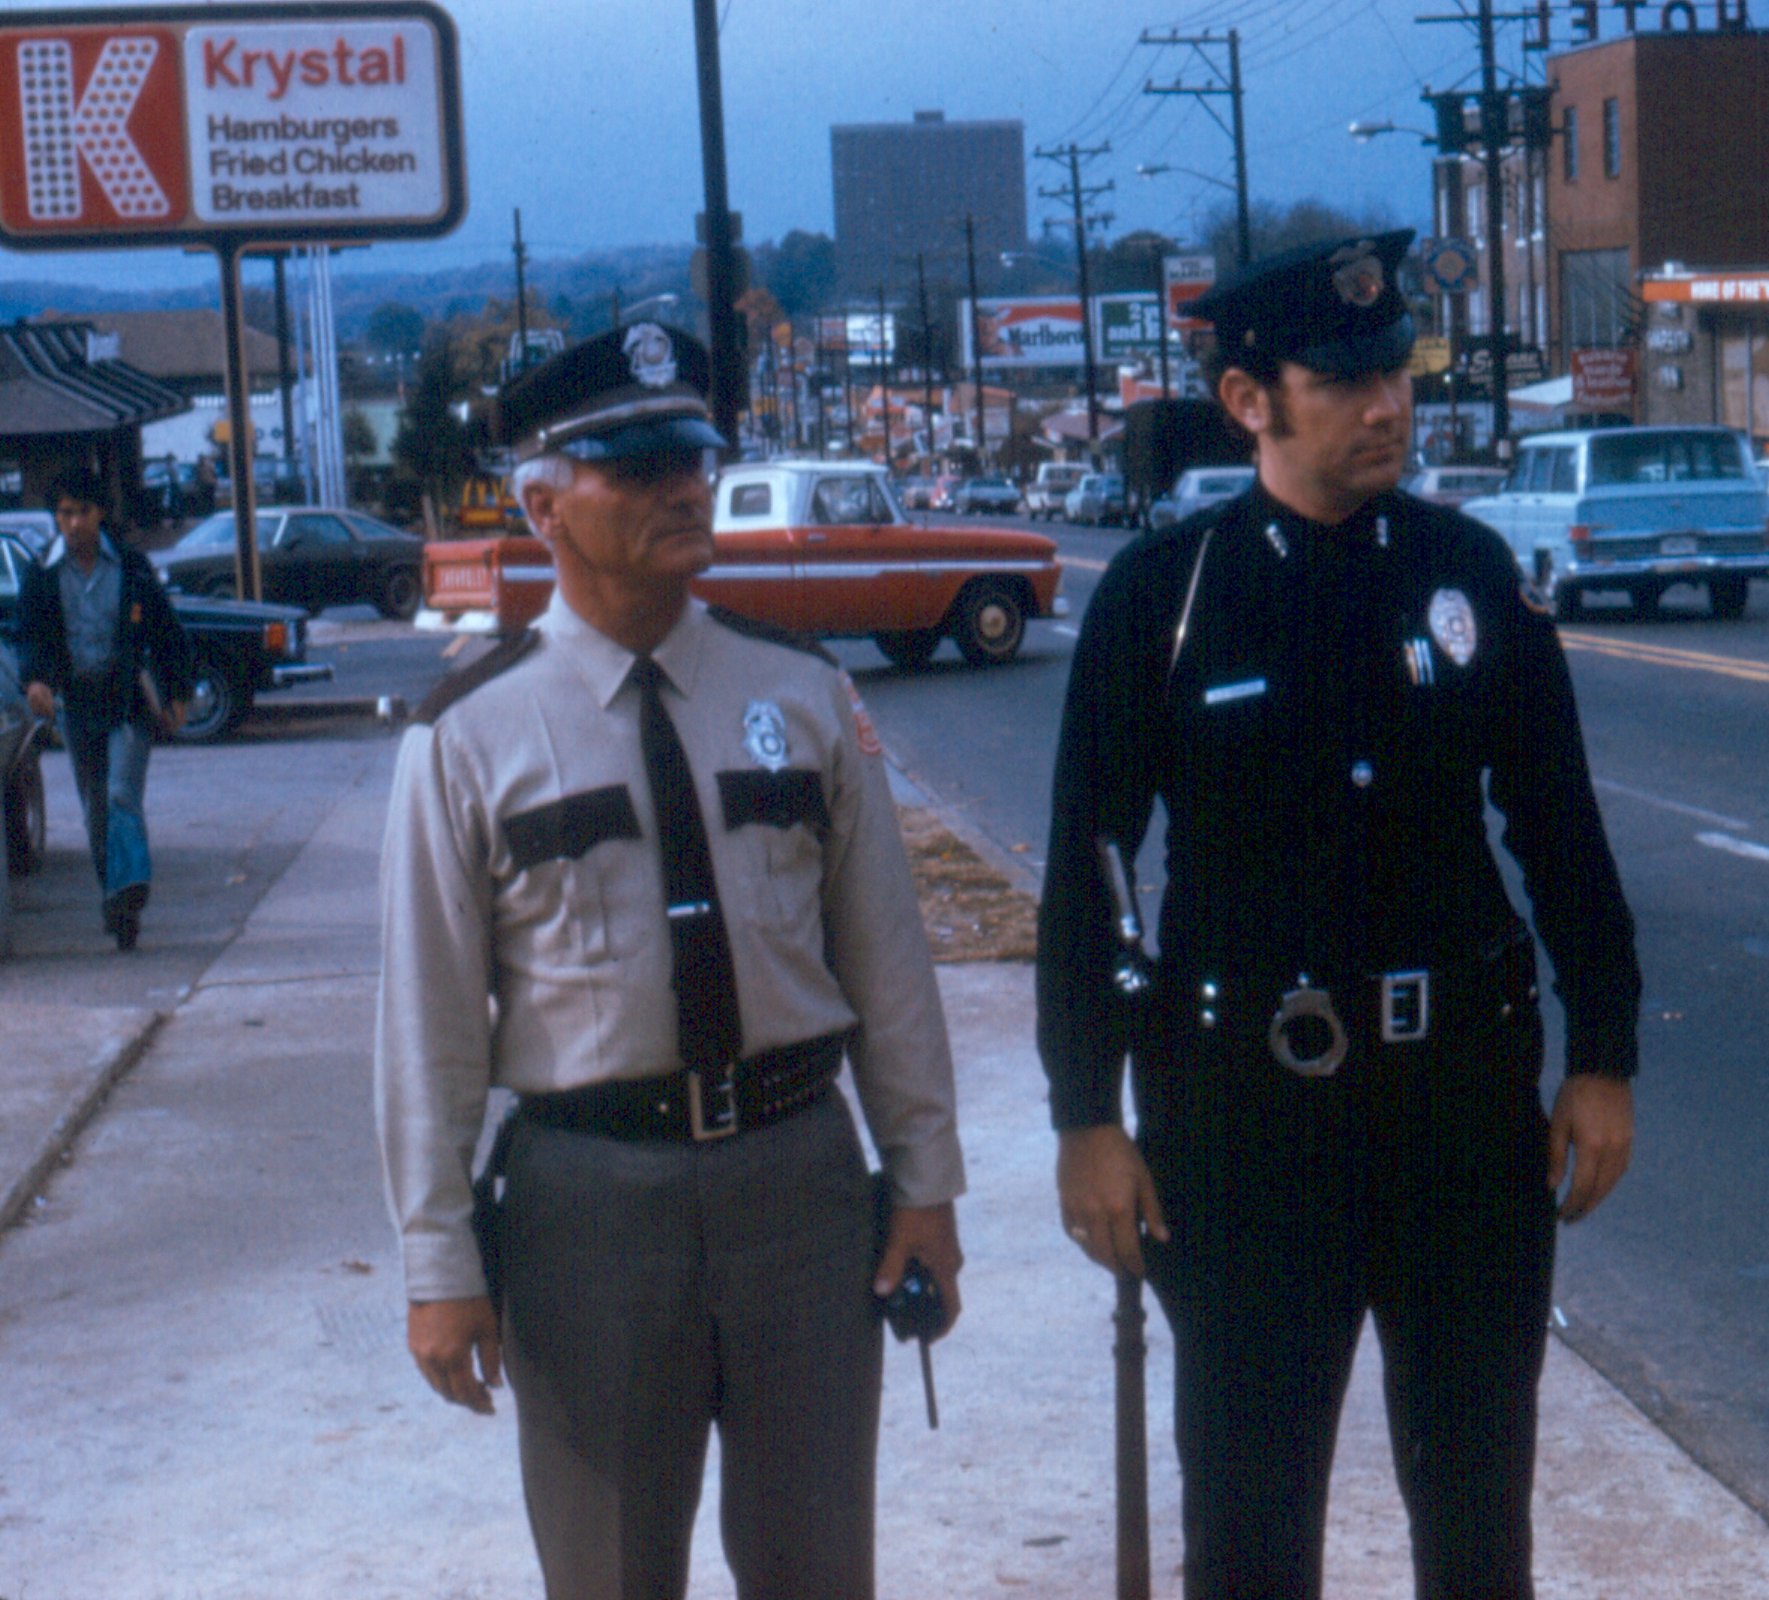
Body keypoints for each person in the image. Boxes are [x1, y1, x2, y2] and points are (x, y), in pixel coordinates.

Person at [1037, 232, 1643, 1598]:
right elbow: (1089, 872)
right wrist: (1085, 1114)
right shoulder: (1166, 600)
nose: (1387, 405)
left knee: (1478, 1528)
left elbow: (1559, 834)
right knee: (1251, 1541)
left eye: (1398, 373)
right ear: (1251, 398)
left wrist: (1603, 1054)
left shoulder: (1472, 574)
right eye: (1346, 380)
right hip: (1247, 1130)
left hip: (1461, 1122)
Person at [375, 324, 965, 1600]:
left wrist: (923, 1184)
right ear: (542, 507)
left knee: (818, 1572)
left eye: (690, 455)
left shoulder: (799, 692)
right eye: (634, 468)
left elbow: (888, 965)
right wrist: (439, 1264)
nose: (682, 487)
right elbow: (428, 1028)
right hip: (589, 1207)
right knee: (611, 1576)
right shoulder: (467, 738)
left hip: (800, 1188)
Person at [14, 465, 191, 950]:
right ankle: (115, 900)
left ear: (100, 513)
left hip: (127, 700)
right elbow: (28, 636)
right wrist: (36, 681)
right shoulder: (43, 573)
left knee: (119, 794)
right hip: (77, 705)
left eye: (81, 512)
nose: (72, 523)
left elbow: (166, 630)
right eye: (64, 513)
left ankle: (130, 890)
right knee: (95, 808)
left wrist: (178, 692)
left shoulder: (131, 567)